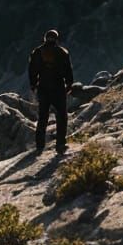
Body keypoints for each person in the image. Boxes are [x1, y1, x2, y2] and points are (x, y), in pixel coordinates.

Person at [29, 27, 75, 155]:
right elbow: (68, 70)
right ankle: (60, 144)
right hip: (58, 89)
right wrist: (69, 84)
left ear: (45, 38)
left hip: (43, 88)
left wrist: (33, 85)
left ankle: (39, 145)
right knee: (62, 116)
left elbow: (32, 70)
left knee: (43, 117)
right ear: (56, 39)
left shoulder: (37, 52)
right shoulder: (62, 52)